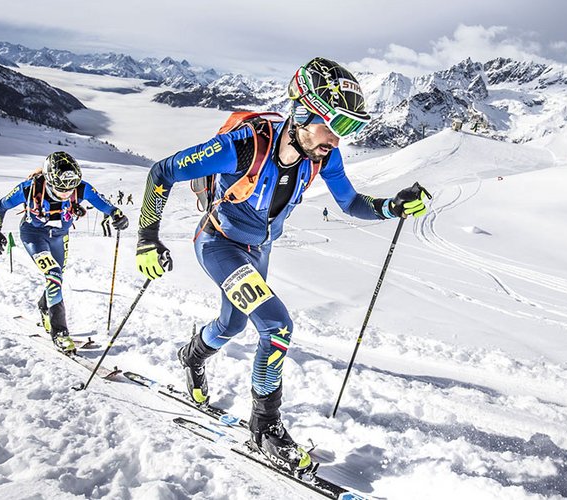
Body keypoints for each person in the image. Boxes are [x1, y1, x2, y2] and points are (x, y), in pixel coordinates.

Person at [134, 57, 430, 474]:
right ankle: (264, 426)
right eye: (337, 125)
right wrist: (147, 238)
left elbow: (349, 202)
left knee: (232, 326)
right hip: (219, 244)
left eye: (351, 129)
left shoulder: (323, 157)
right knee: (276, 326)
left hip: (258, 251)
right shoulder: (242, 146)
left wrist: (390, 207)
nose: (339, 139)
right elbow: (162, 172)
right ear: (304, 111)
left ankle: (192, 356)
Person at [0, 152, 129, 352]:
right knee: (53, 274)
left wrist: (116, 214)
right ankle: (60, 333)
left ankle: (45, 307)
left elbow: (103, 203)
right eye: (60, 189)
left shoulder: (80, 188)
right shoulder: (29, 188)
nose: (66, 193)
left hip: (60, 235)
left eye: (70, 188)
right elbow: (1, 206)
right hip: (34, 235)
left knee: (57, 277)